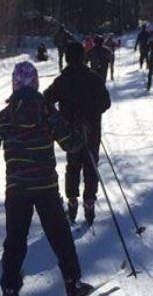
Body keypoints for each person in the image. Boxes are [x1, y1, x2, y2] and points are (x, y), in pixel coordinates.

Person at [0, 61, 93, 296]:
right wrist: (82, 131)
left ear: (14, 84)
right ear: (36, 83)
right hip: (45, 187)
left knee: (15, 241)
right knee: (60, 236)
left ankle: (9, 291)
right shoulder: (48, 112)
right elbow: (71, 144)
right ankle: (73, 284)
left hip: (17, 189)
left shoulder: (4, 117)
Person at [44, 42, 111, 225]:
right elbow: (106, 103)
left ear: (66, 58)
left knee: (72, 167)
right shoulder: (95, 79)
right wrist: (90, 114)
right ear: (83, 57)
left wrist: (61, 117)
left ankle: (72, 202)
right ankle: (89, 203)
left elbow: (45, 100)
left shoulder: (62, 80)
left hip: (70, 133)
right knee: (91, 166)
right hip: (92, 131)